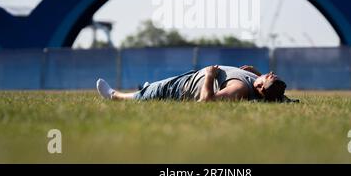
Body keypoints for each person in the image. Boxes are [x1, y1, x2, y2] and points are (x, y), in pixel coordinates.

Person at [96, 64, 298, 102]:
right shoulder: (258, 84)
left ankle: (115, 96)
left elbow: (207, 102)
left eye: (270, 76)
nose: (270, 73)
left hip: (183, 88)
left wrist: (210, 75)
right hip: (189, 78)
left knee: (146, 95)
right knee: (153, 87)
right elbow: (268, 92)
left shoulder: (239, 89)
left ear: (261, 87)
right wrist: (256, 73)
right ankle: (148, 88)